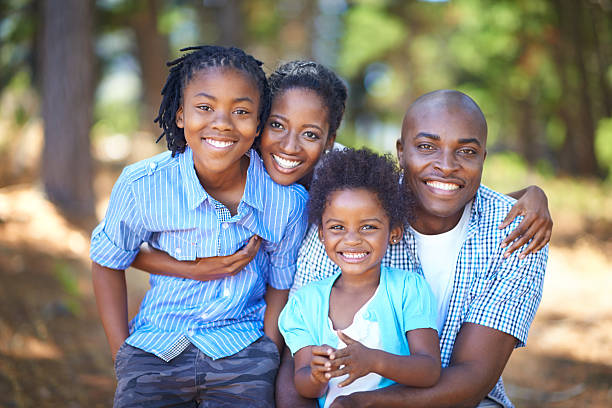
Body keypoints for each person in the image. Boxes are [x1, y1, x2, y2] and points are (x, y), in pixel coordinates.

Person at [288, 90, 549, 408]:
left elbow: (473, 379)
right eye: (427, 147)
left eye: (466, 152)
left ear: (483, 158)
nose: (446, 166)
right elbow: (297, 359)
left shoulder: (517, 233)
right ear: (401, 152)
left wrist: (363, 404)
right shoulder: (347, 215)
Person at [89, 45, 309, 407]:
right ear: (180, 115)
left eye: (241, 111)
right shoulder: (143, 185)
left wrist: (267, 352)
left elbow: (280, 284)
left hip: (242, 346)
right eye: (205, 108)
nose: (222, 123)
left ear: (258, 125)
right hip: (158, 344)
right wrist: (121, 353)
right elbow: (107, 259)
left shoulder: (285, 202)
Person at [279, 148, 441, 408]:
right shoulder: (305, 303)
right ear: (322, 234)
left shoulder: (408, 290)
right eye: (337, 227)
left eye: (368, 227)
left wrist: (374, 361)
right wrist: (316, 375)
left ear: (394, 232)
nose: (352, 239)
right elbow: (303, 384)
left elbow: (429, 370)